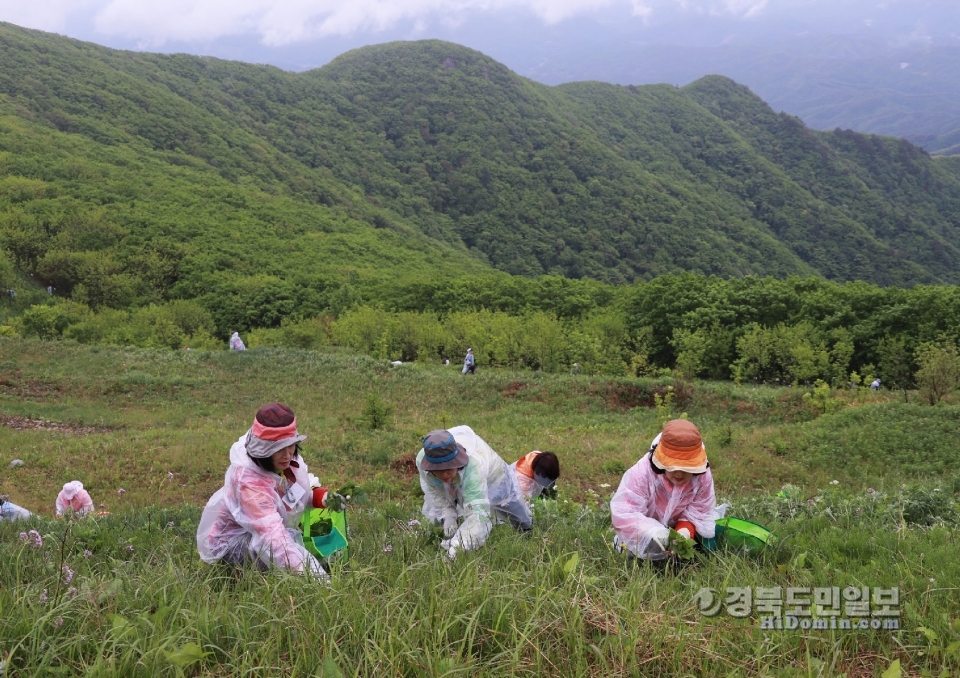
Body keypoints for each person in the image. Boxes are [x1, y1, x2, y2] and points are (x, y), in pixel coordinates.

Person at [196, 403, 337, 578]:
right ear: (264, 450)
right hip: (232, 546)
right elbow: (273, 536)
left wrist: (325, 498)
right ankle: (241, 578)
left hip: (263, 532)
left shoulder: (284, 461)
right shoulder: (249, 484)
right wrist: (310, 576)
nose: (287, 455)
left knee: (293, 540)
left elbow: (302, 487)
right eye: (279, 449)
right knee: (288, 542)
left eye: (291, 446)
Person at [610, 419, 716, 561]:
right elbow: (626, 513)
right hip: (642, 529)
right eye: (672, 467)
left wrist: (684, 531)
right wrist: (652, 532)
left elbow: (699, 511)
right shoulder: (642, 474)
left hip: (675, 528)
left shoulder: (702, 477)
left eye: (687, 468)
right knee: (631, 553)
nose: (679, 474)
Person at [417, 426, 531, 558]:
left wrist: (458, 546)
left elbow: (478, 514)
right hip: (462, 477)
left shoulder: (474, 466)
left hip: (496, 479)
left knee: (514, 511)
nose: (445, 473)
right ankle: (461, 533)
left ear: (457, 460)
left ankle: (527, 532)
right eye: (439, 469)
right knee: (462, 507)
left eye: (448, 467)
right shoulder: (422, 460)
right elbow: (433, 489)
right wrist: (447, 511)